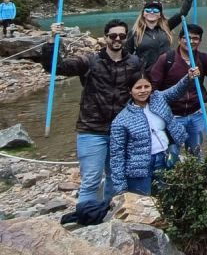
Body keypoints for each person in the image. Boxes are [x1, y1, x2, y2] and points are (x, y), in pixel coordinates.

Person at [41, 20, 141, 204]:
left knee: (116, 177)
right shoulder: (89, 61)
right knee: (91, 180)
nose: (117, 39)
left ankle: (110, 214)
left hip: (120, 130)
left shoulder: (134, 62)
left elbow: (139, 92)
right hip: (91, 130)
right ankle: (86, 217)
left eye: (121, 36)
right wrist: (51, 42)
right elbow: (56, 67)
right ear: (105, 38)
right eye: (113, 36)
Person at [109, 67, 201, 195]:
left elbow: (176, 90)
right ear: (130, 91)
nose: (143, 91)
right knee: (143, 204)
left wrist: (188, 77)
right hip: (139, 169)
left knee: (169, 198)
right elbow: (117, 155)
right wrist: (120, 187)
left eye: (146, 86)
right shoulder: (121, 120)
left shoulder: (158, 99)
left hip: (165, 158)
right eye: (138, 88)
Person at [150, 23, 207, 156]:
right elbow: (153, 87)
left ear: (200, 41)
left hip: (196, 114)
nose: (191, 41)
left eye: (195, 38)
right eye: (187, 38)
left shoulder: (202, 58)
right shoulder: (167, 59)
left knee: (195, 153)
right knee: (172, 154)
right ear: (179, 39)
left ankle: (195, 176)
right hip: (172, 116)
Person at [126, 0, 198, 69]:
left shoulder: (166, 26)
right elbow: (127, 56)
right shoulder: (134, 32)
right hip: (147, 75)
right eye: (148, 10)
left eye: (156, 10)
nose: (152, 12)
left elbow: (183, 13)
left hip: (168, 72)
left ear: (160, 15)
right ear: (143, 14)